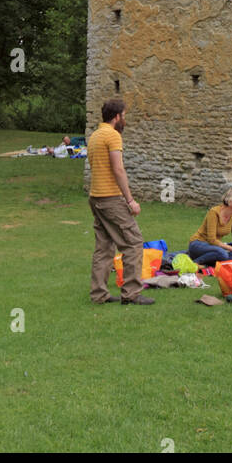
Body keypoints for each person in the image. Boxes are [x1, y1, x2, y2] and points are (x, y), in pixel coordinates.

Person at [87, 97, 154, 306]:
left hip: (95, 197)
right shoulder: (113, 136)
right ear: (117, 117)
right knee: (133, 242)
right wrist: (130, 200)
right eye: (124, 116)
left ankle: (99, 294)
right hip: (110, 198)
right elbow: (118, 169)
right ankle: (132, 293)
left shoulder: (95, 136)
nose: (125, 120)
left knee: (104, 247)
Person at [188, 188, 232, 266]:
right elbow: (212, 240)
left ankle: (213, 262)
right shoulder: (214, 212)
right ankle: (195, 263)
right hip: (198, 244)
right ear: (230, 202)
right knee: (222, 253)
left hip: (213, 247)